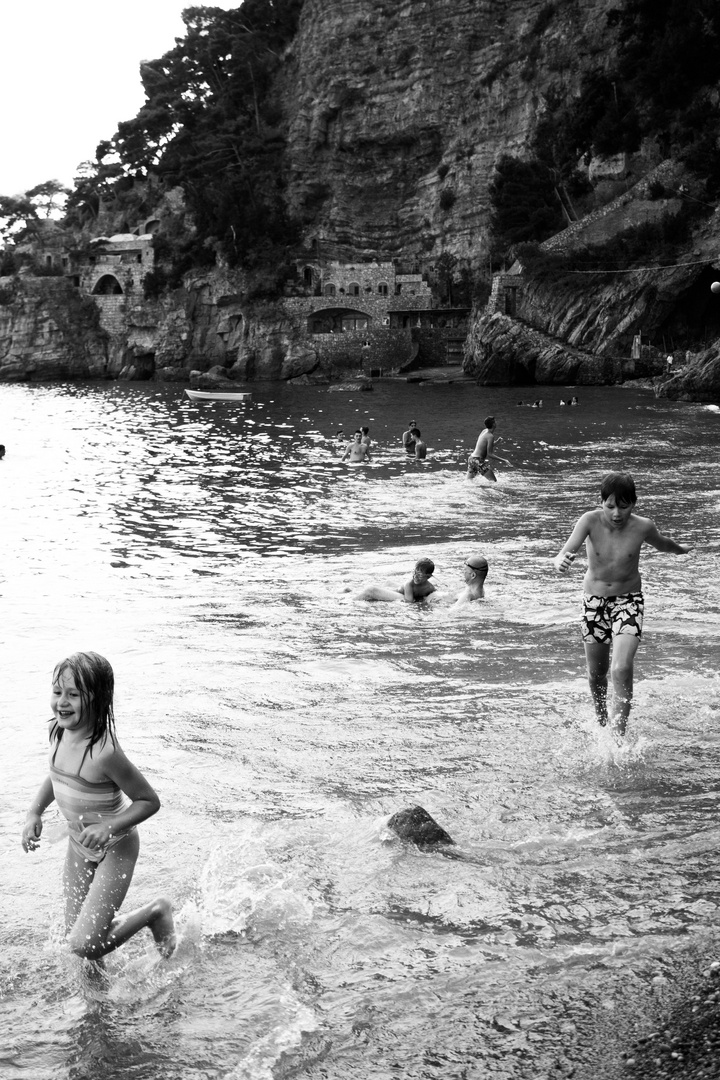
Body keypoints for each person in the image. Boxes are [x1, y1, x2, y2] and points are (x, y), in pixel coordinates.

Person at [21, 651, 176, 960]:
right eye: (57, 692)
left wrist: (110, 826)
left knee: (84, 944)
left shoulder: (105, 753)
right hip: (79, 844)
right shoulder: (57, 730)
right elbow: (57, 776)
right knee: (77, 936)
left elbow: (149, 801)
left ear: (97, 699)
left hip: (116, 846)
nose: (62, 702)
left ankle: (155, 912)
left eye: (73, 695)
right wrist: (34, 812)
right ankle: (98, 1006)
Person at [553, 472, 691, 734]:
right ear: (601, 502)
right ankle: (602, 719)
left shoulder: (643, 526)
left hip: (628, 601)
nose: (617, 513)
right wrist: (559, 562)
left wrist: (681, 549)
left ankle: (618, 737)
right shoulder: (589, 521)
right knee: (597, 674)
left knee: (622, 667)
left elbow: (664, 544)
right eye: (610, 506)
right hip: (594, 603)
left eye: (624, 507)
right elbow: (564, 552)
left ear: (634, 504)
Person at [353, 558, 437, 603]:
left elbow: (434, 595)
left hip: (402, 593)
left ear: (428, 577)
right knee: (370, 591)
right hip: (399, 593)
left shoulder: (430, 588)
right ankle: (352, 600)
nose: (415, 576)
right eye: (415, 572)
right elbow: (409, 602)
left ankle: (351, 592)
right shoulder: (409, 584)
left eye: (419, 575)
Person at [467, 416, 510, 482]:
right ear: (493, 424)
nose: (496, 422)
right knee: (493, 482)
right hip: (478, 461)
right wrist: (504, 460)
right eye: (495, 422)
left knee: (469, 482)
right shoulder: (490, 436)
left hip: (472, 459)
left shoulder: (484, 431)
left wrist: (497, 442)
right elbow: (490, 454)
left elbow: (484, 445)